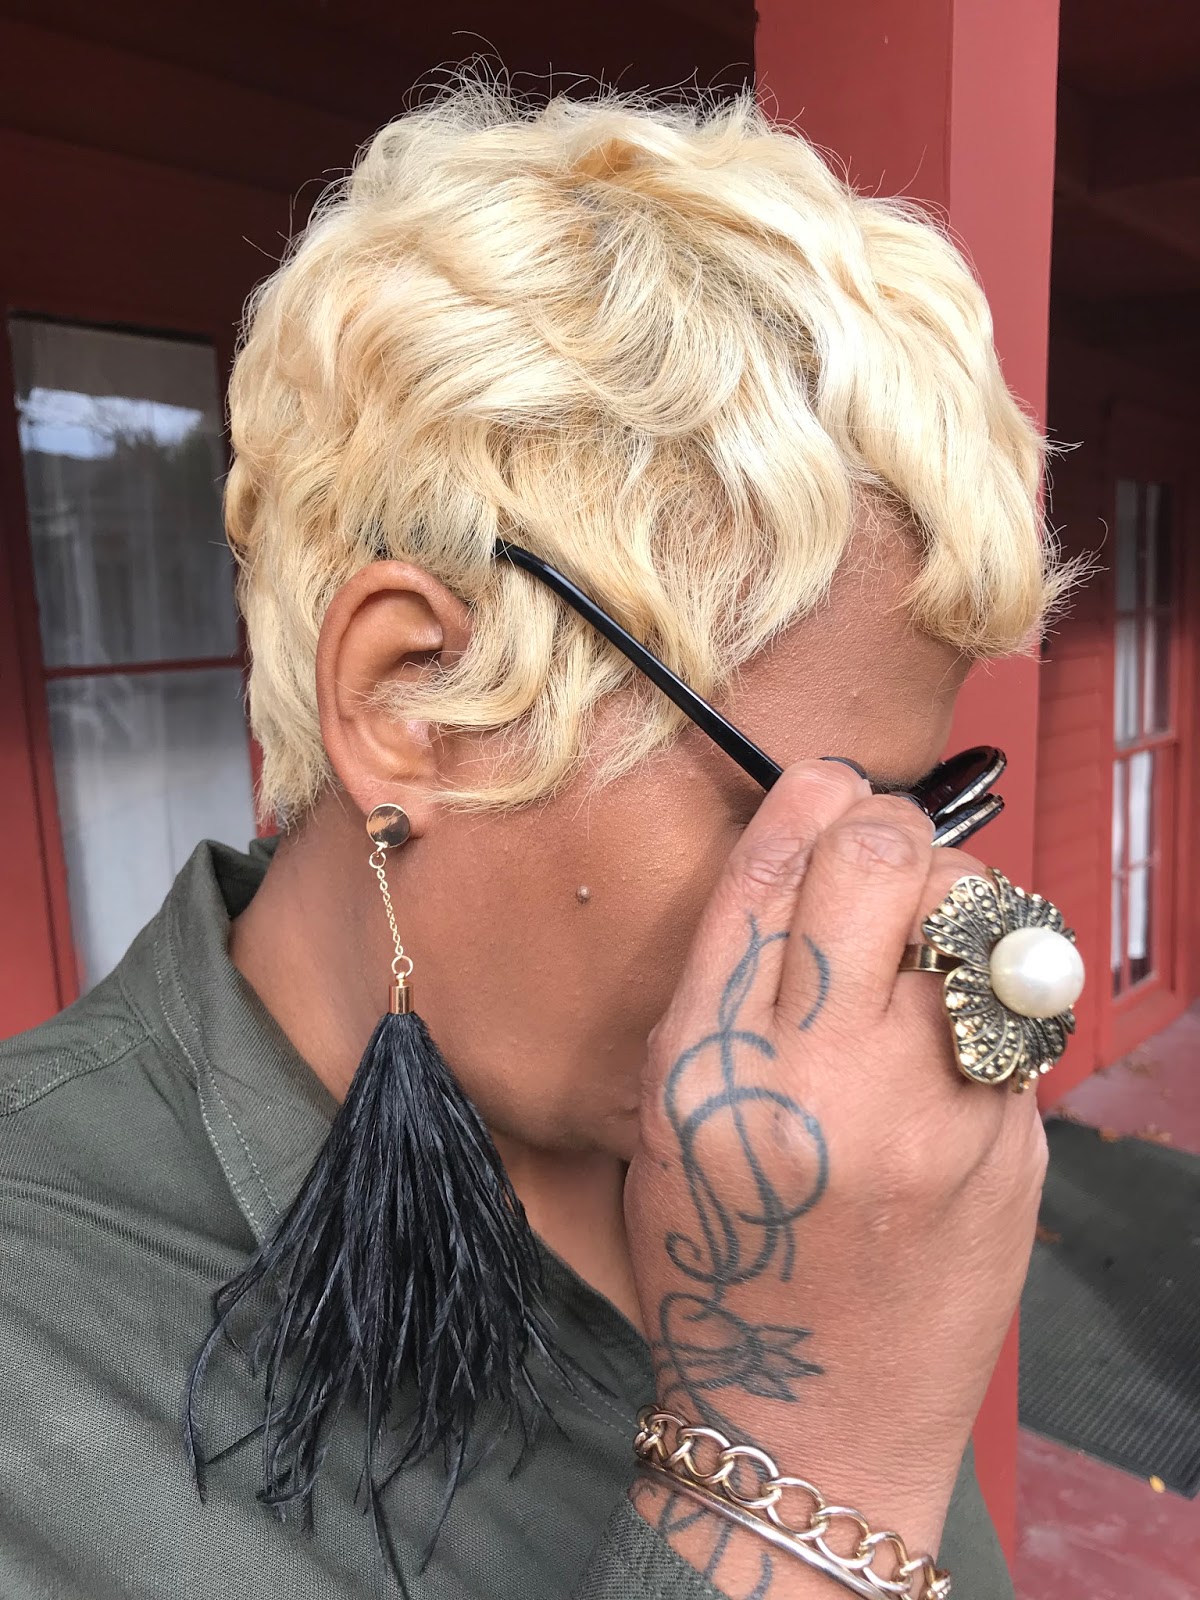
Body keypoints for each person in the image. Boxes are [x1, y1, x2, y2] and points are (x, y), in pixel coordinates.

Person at [0, 86, 1076, 1600]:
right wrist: (802, 1476)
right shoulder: (37, 1342)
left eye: (926, 808)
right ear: (412, 702)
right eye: (796, 810)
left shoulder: (805, 1150)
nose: (903, 908)